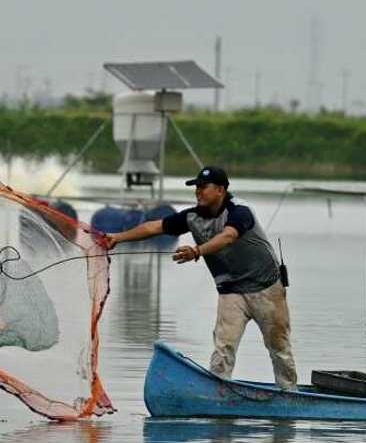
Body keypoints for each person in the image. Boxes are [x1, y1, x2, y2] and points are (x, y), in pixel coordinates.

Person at [102, 166, 298, 390]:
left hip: (266, 289)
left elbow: (228, 236)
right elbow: (154, 227)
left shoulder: (239, 212)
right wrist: (117, 237)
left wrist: (196, 251)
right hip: (231, 291)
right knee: (223, 349)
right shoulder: (192, 216)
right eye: (196, 187)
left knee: (278, 347)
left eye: (203, 187)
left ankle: (289, 394)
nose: (198, 192)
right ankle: (218, 394)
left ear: (220, 190)